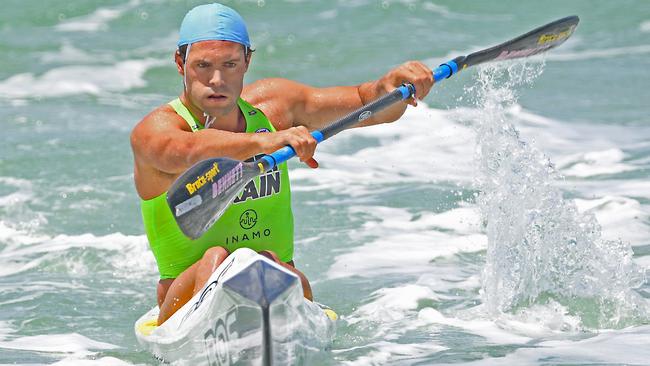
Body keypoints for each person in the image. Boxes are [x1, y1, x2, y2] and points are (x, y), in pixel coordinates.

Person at [130, 3, 434, 325]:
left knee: (271, 266)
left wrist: (390, 89)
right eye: (203, 65)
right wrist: (264, 141)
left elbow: (365, 105)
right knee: (219, 260)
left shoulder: (273, 107)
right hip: (184, 306)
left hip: (274, 284)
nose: (217, 80)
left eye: (230, 64)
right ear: (180, 63)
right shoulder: (158, 130)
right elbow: (185, 151)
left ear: (248, 60)